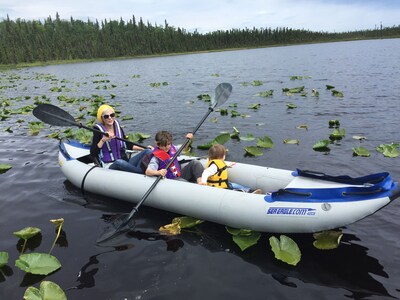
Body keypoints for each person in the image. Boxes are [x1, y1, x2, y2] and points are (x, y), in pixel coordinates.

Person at [90, 104, 152, 173]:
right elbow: (93, 153)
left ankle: (139, 171)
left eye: (112, 115)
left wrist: (144, 148)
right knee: (119, 162)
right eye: (106, 116)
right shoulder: (98, 131)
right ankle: (142, 172)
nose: (110, 118)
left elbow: (128, 144)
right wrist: (103, 140)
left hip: (125, 161)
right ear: (102, 118)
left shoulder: (117, 127)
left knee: (148, 152)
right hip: (110, 165)